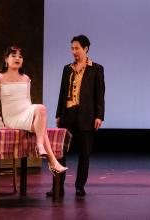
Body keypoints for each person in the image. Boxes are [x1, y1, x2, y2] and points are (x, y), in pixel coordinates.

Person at [0, 46, 67, 175]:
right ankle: (50, 159)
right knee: (41, 126)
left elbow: (28, 100)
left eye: (20, 56)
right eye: (14, 56)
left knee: (40, 112)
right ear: (6, 59)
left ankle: (51, 160)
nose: (17, 58)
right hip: (12, 118)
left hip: (26, 112)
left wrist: (34, 117)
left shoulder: (26, 78)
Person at [48, 35, 105, 197]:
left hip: (87, 115)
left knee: (84, 152)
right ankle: (57, 187)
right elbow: (61, 93)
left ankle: (80, 186)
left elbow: (100, 95)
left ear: (85, 48)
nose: (74, 51)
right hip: (68, 114)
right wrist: (59, 114)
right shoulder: (67, 68)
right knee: (60, 153)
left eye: (77, 48)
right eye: (72, 48)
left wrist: (99, 116)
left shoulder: (96, 68)